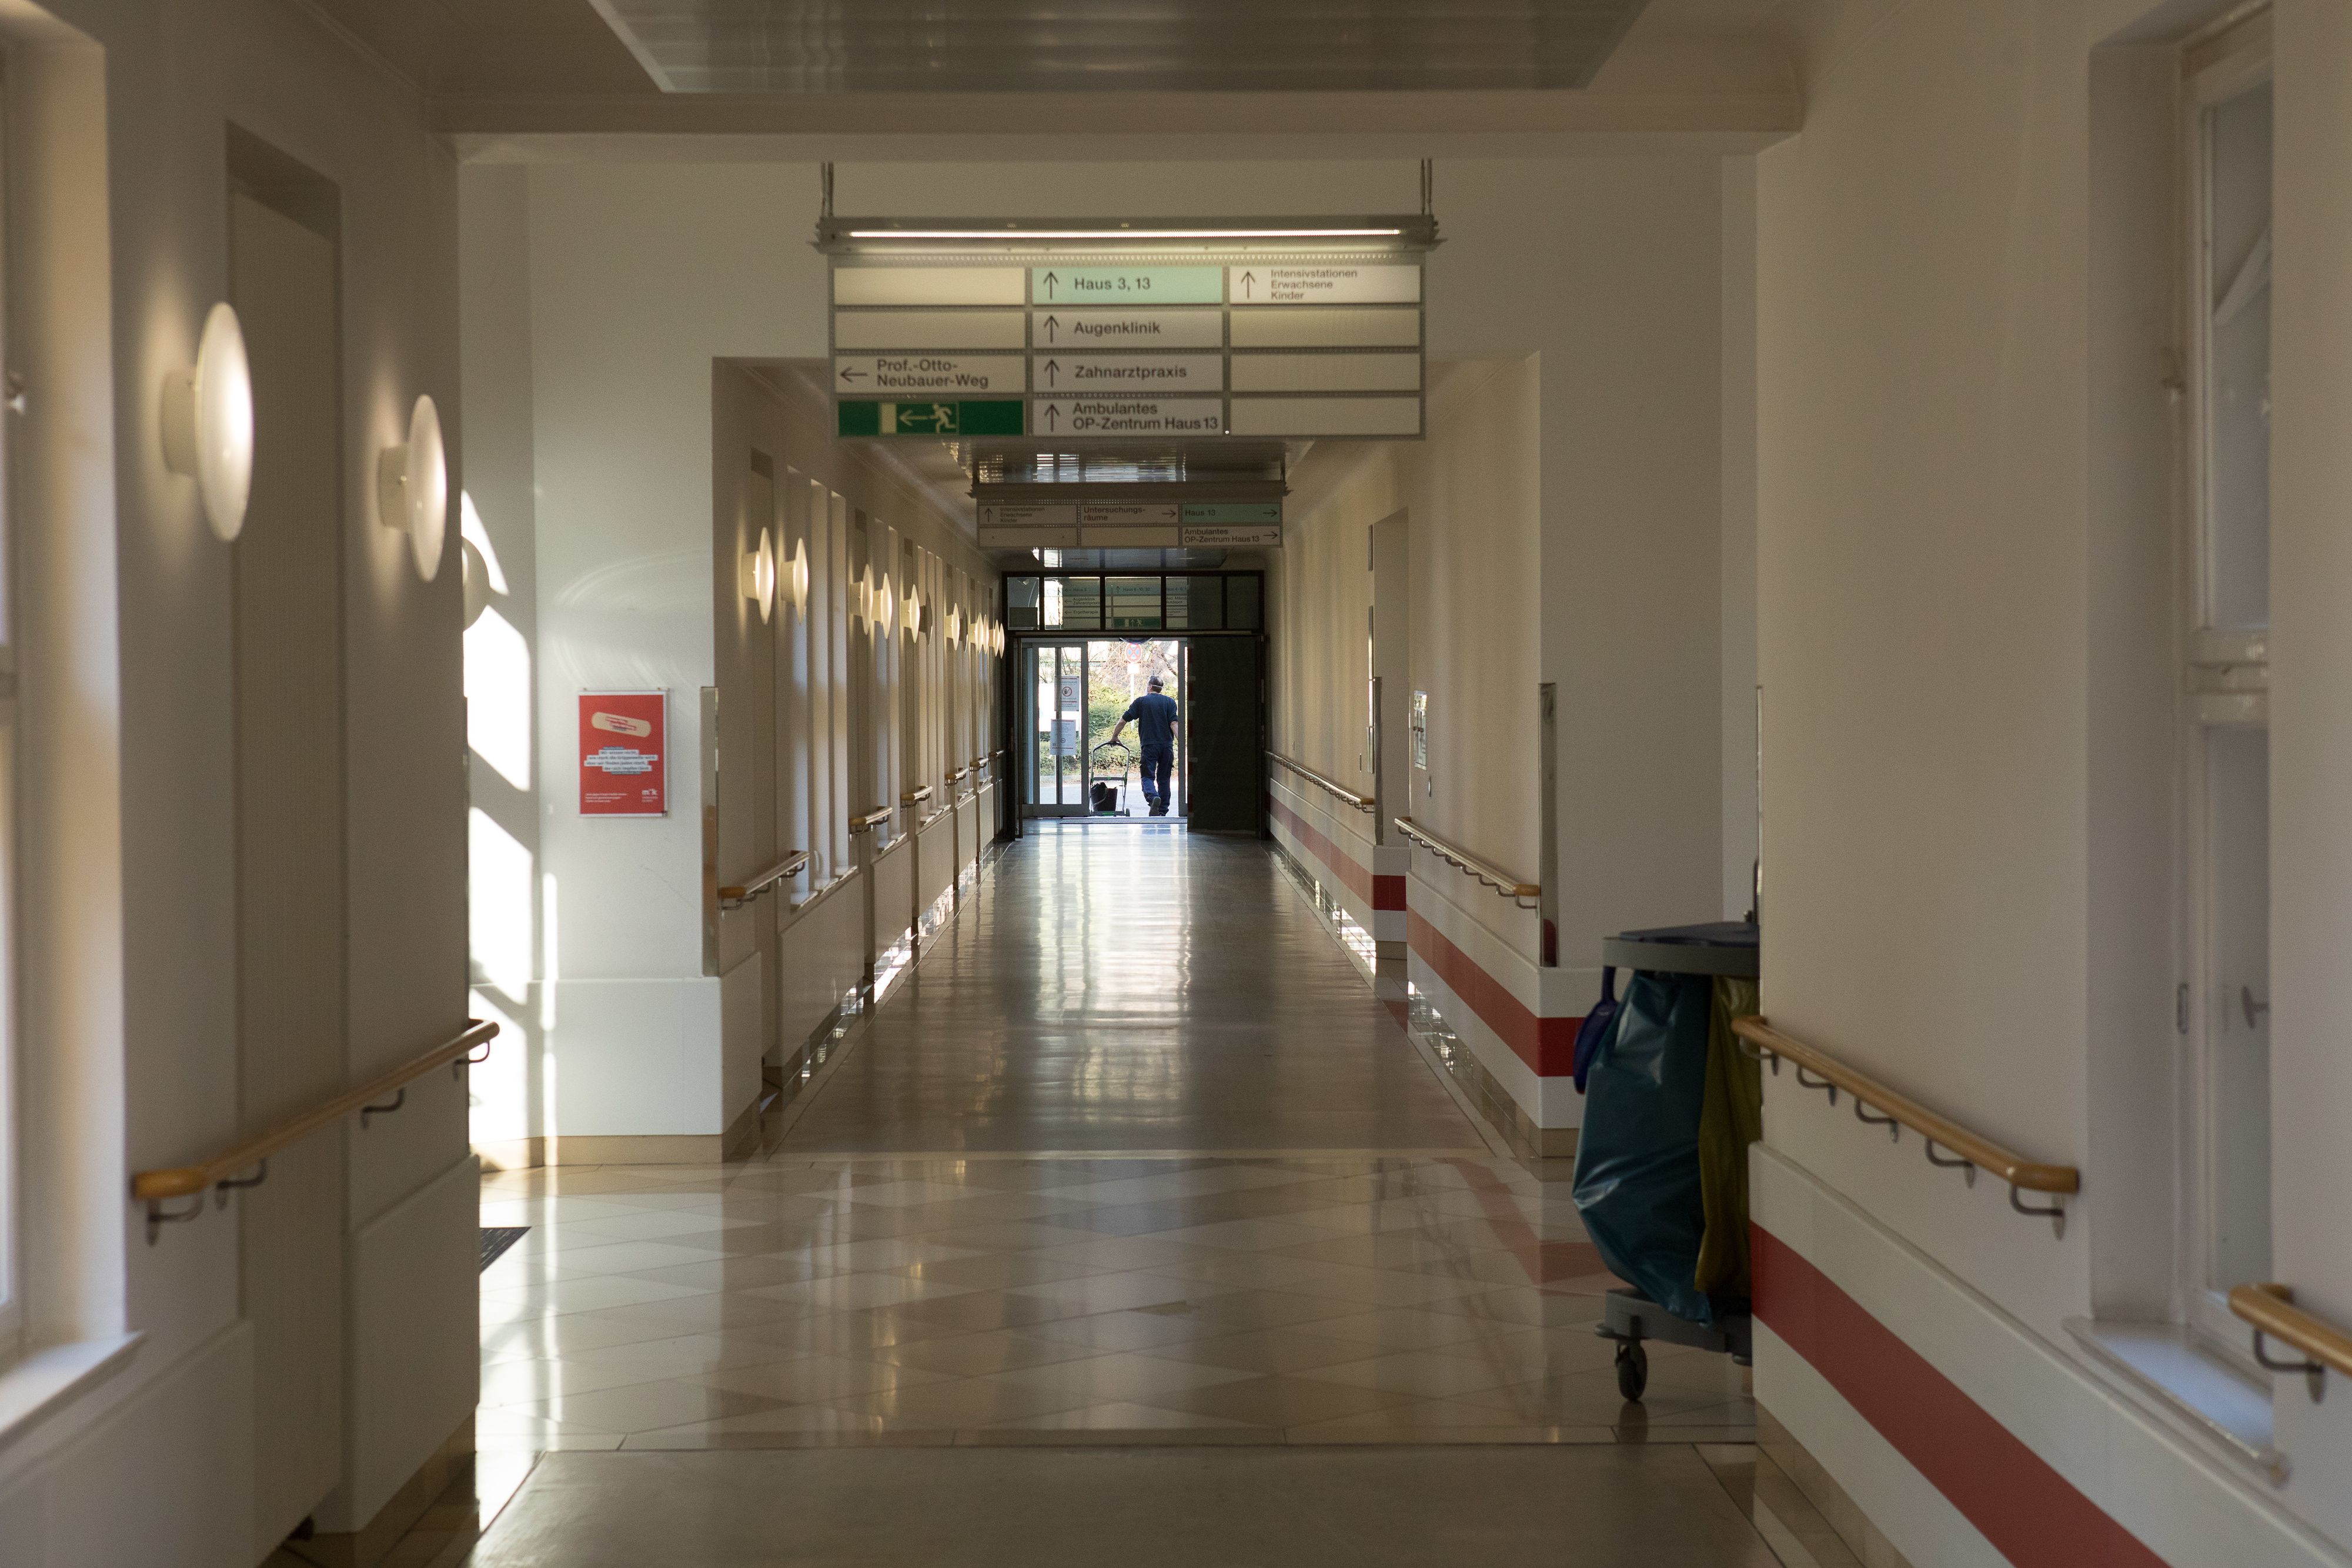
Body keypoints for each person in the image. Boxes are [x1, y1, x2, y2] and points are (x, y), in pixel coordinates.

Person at [1109, 676, 1179, 817]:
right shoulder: (1170, 702)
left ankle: (1153, 798)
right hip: (1167, 746)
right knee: (1164, 779)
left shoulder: (1141, 702)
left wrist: (1114, 736)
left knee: (1147, 776)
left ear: (1150, 687)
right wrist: (1182, 744)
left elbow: (1123, 720)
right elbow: (1174, 723)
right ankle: (1162, 811)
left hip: (1149, 746)